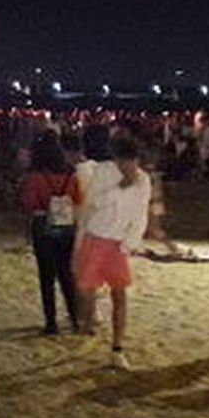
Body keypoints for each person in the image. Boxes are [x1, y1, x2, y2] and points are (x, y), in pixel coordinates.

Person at [73, 135, 150, 370]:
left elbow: (140, 213)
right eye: (123, 161)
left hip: (118, 243)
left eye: (132, 161)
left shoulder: (143, 179)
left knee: (120, 297)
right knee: (86, 292)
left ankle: (117, 348)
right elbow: (92, 203)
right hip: (95, 237)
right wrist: (119, 188)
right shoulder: (104, 172)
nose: (128, 166)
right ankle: (86, 320)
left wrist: (131, 243)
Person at [20, 131, 81, 335]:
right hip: (66, 227)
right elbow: (79, 198)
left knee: (47, 276)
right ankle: (75, 318)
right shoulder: (70, 173)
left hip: (43, 226)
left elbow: (29, 204)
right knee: (67, 274)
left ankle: (51, 322)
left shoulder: (35, 176)